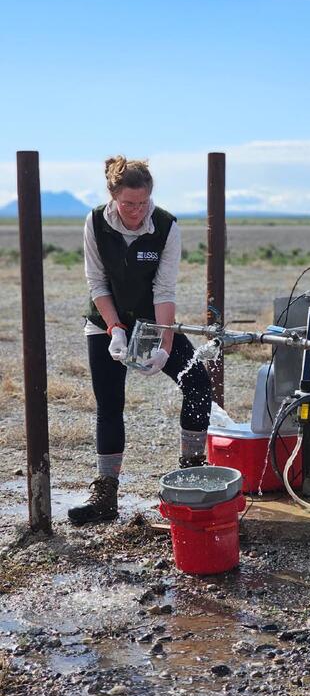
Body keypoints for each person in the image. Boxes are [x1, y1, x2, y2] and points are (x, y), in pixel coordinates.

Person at [68, 156, 212, 526]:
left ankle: (192, 474)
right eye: (128, 204)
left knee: (197, 381)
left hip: (152, 321)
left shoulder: (165, 226)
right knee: (109, 402)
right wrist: (114, 329)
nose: (135, 211)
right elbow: (97, 283)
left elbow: (164, 290)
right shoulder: (96, 222)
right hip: (105, 322)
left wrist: (164, 346)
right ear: (113, 196)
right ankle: (106, 494)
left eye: (142, 202)